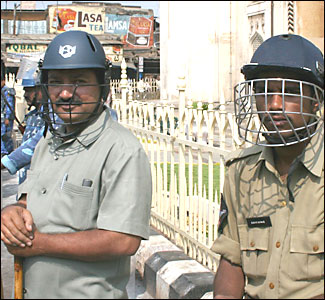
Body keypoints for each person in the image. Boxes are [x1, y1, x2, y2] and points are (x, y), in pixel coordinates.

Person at [1, 30, 152, 299]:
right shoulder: (50, 141)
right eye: (56, 81)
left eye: (79, 81)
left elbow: (123, 240)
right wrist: (13, 212)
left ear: (102, 86)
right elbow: (30, 200)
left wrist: (39, 245)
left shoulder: (121, 149)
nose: (66, 92)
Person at [212, 34, 324, 299]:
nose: (274, 105)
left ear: (316, 100)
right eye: (264, 92)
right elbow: (232, 260)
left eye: (289, 92)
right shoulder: (241, 172)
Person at [1, 63, 45, 184]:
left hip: (39, 181)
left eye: (29, 90)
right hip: (27, 178)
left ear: (42, 89)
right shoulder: (33, 115)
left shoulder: (50, 117)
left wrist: (6, 162)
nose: (25, 94)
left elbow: (35, 145)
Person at [1, 60, 16, 158]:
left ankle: (5, 152)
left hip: (5, 119)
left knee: (5, 136)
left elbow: (10, 105)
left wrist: (7, 118)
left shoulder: (7, 91)